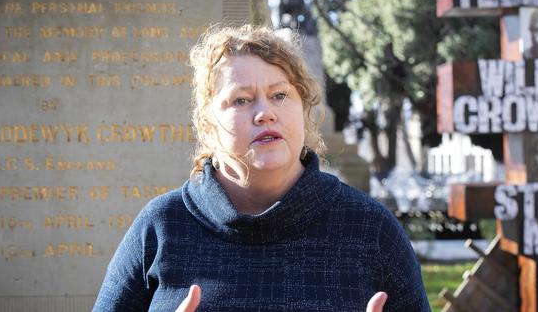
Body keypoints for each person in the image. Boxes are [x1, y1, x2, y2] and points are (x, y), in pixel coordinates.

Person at [93, 25, 431, 311]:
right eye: (241, 100)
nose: (265, 113)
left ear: (304, 108)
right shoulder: (161, 226)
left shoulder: (370, 229)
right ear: (207, 124)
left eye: (280, 95)